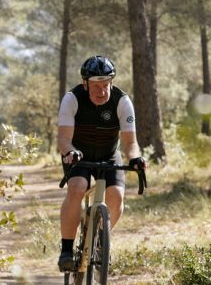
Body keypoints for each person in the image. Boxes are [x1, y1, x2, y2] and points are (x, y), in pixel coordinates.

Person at [57, 55, 147, 271]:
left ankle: (100, 239)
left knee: (116, 195)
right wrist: (70, 152)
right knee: (77, 187)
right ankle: (67, 250)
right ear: (85, 84)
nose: (102, 91)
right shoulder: (72, 99)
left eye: (106, 85)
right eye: (96, 86)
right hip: (78, 154)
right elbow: (63, 139)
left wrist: (135, 158)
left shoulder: (122, 101)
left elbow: (130, 142)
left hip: (109, 154)